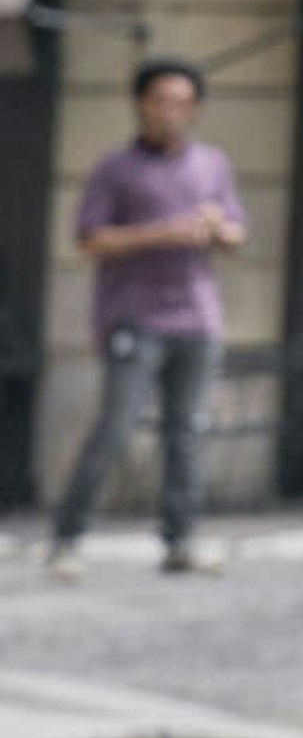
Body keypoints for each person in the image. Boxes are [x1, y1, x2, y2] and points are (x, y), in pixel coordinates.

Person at [47, 58, 247, 582]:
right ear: (140, 104)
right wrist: (163, 232)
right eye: (162, 101)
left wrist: (217, 230)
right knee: (114, 429)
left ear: (196, 109)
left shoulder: (213, 165)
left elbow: (236, 233)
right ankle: (67, 539)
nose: (172, 112)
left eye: (183, 103)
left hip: (197, 318)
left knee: (185, 435)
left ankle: (181, 541)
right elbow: (90, 238)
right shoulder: (116, 168)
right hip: (133, 318)